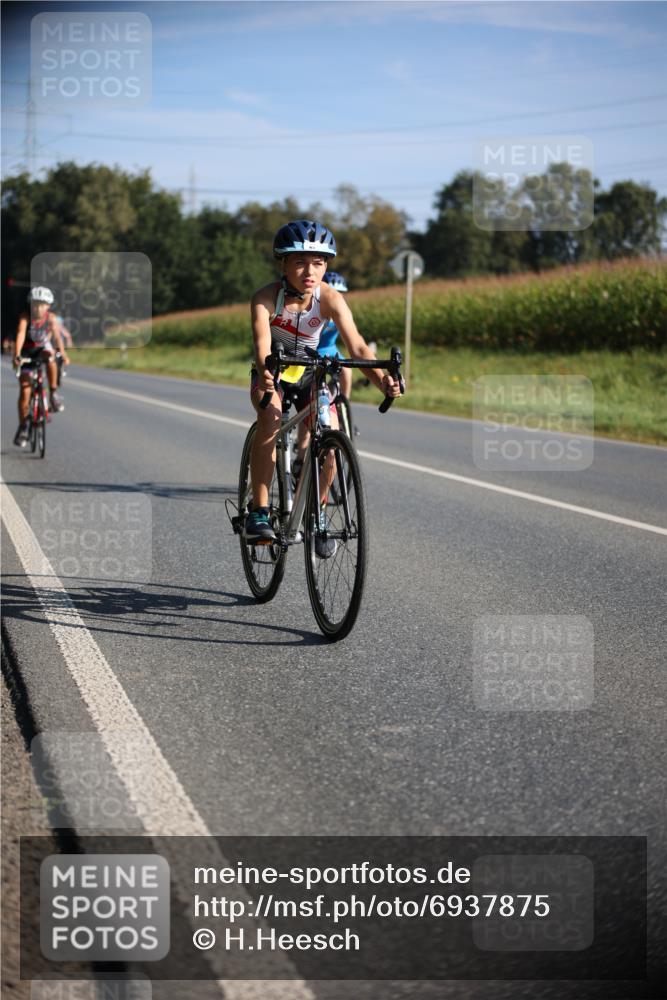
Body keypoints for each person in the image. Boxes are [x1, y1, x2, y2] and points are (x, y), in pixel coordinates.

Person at [245, 219, 401, 547]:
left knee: (330, 439)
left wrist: (383, 381)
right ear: (283, 264)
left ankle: (318, 514)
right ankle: (259, 511)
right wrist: (265, 370)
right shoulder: (265, 298)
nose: (309, 271)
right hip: (275, 371)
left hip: (311, 373)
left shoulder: (329, 298)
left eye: (318, 263)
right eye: (300, 262)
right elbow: (261, 344)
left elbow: (357, 348)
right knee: (270, 422)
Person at [13, 287, 69, 447]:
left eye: (42, 304)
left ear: (48, 306)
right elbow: (20, 334)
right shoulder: (25, 317)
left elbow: (57, 338)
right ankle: (23, 426)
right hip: (26, 351)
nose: (38, 308)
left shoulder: (51, 318)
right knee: (25, 392)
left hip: (42, 349)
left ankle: (53, 394)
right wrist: (16, 355)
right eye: (35, 304)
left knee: (51, 357)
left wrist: (63, 354)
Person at [319, 271, 353, 400]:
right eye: (331, 293)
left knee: (347, 371)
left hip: (331, 350)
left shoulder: (343, 312)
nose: (335, 297)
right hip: (311, 351)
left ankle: (343, 405)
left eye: (339, 294)